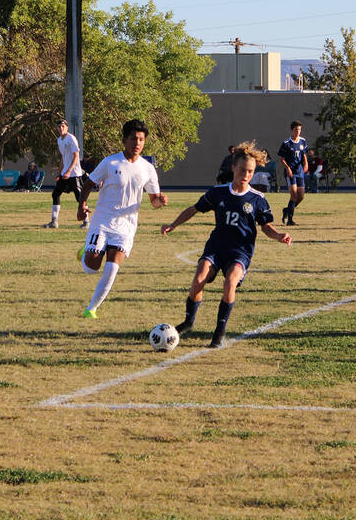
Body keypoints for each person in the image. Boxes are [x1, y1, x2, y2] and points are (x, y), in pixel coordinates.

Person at [161, 141, 291, 348]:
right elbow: (194, 209)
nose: (246, 175)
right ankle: (188, 321)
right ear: (233, 168)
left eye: (250, 171)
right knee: (199, 278)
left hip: (240, 251)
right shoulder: (218, 192)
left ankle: (219, 332)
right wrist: (173, 224)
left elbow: (266, 226)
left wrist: (279, 235)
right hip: (216, 247)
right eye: (242, 170)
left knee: (230, 283)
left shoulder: (258, 198)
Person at [75, 119, 168, 318]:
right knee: (92, 267)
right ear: (124, 140)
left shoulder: (147, 168)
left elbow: (153, 201)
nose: (137, 143)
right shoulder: (110, 162)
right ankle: (86, 253)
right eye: (133, 139)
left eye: (141, 140)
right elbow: (89, 183)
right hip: (102, 220)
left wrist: (160, 200)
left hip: (126, 226)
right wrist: (82, 205)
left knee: (113, 265)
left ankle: (91, 309)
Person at [44, 119, 88, 229]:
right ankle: (54, 222)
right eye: (59, 127)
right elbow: (64, 157)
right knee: (55, 194)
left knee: (80, 197)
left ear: (67, 127)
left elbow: (76, 156)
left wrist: (69, 171)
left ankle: (86, 222)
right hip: (65, 174)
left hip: (74, 174)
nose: (61, 128)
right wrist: (60, 173)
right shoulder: (59, 140)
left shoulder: (71, 139)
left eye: (63, 126)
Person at [278, 121, 309, 226]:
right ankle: (290, 220)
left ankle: (287, 210)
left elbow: (304, 154)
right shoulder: (286, 143)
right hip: (290, 172)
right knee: (294, 194)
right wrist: (288, 168)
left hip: (299, 171)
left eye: (299, 129)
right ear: (292, 130)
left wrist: (306, 164)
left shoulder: (303, 141)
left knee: (301, 196)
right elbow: (281, 159)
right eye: (296, 129)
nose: (298, 132)